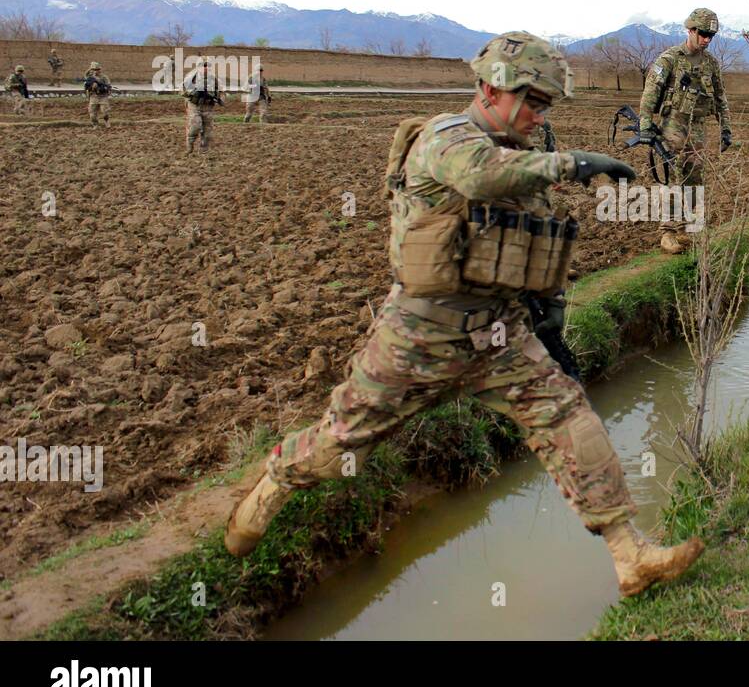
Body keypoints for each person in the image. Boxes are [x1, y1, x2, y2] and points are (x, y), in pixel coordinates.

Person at [224, 31, 704, 598]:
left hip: (498, 335)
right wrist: (572, 163)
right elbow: (481, 176)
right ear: (489, 87)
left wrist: (548, 315)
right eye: (532, 100)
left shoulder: (524, 155)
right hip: (418, 336)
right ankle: (275, 481)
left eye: (546, 105)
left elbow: (528, 241)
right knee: (340, 445)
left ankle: (631, 556)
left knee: (572, 422)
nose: (538, 115)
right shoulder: (447, 138)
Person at [637, 7, 734, 254]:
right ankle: (667, 232)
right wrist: (645, 124)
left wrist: (726, 128)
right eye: (702, 33)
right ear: (690, 30)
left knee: (695, 178)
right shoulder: (669, 59)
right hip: (674, 125)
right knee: (671, 177)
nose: (706, 39)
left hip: (698, 127)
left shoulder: (711, 63)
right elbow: (651, 92)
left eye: (711, 35)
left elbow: (721, 96)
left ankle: (689, 229)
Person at [183, 58, 224, 153]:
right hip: (195, 105)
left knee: (208, 131)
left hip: (208, 107)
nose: (206, 68)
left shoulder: (214, 78)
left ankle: (203, 150)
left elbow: (222, 92)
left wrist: (220, 99)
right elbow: (182, 90)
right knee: (195, 125)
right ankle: (190, 142)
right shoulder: (191, 77)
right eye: (204, 66)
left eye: (208, 66)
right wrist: (192, 93)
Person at [84, 62, 113, 127]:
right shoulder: (90, 77)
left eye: (97, 69)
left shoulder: (104, 77)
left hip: (103, 96)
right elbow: (86, 77)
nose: (95, 71)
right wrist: (92, 87)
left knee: (105, 112)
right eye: (94, 70)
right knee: (92, 114)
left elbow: (108, 86)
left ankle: (106, 121)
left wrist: (102, 88)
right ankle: (95, 125)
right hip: (93, 96)